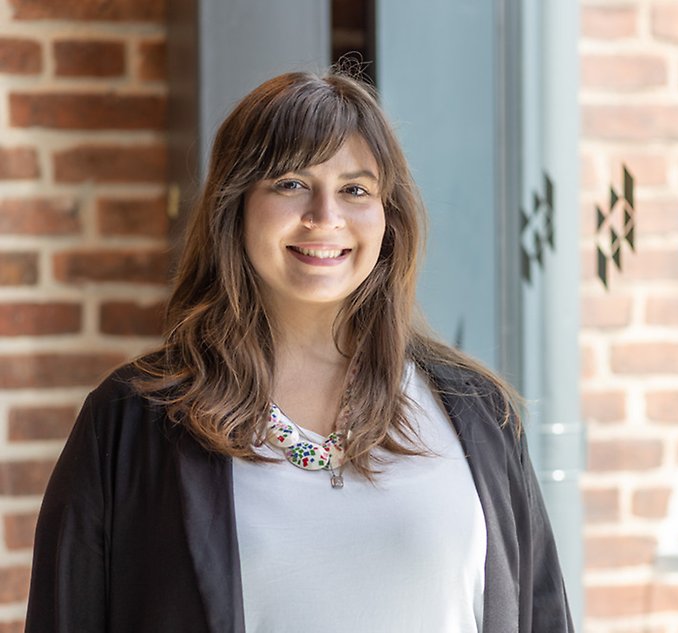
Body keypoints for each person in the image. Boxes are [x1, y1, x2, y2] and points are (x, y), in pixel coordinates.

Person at [25, 70, 573, 632]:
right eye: (290, 183)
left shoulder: (476, 412)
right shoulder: (129, 423)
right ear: (234, 207)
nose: (325, 217)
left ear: (390, 218)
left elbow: (543, 615)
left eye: (356, 190)